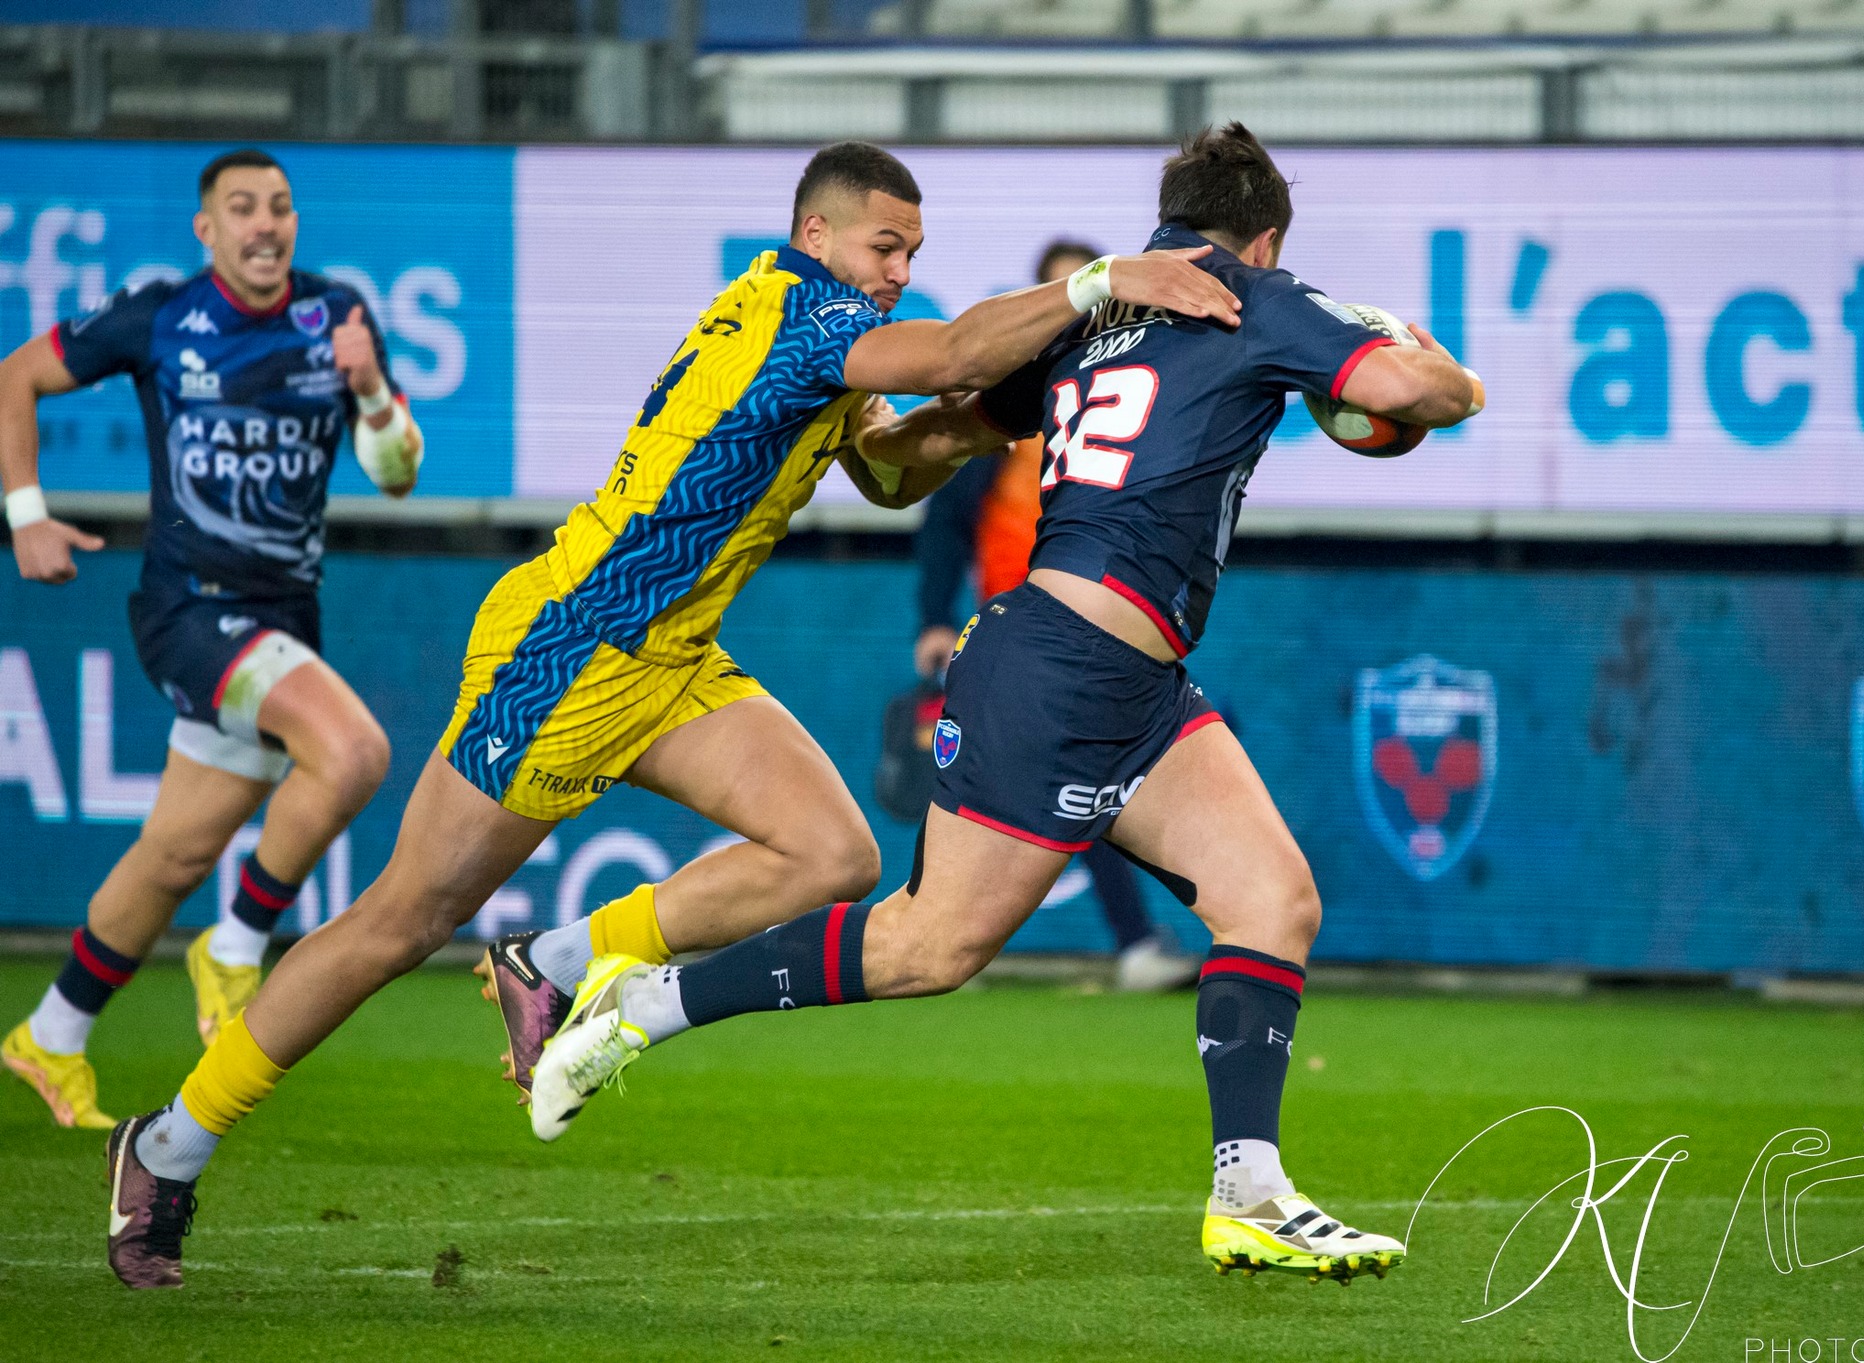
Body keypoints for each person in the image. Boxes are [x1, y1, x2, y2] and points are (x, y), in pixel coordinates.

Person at [101, 139, 1243, 1289]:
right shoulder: (803, 313)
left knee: (831, 849)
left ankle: (550, 960)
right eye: (884, 245)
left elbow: (888, 471)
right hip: (572, 650)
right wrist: (1100, 284)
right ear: (818, 237)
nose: (899, 268)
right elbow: (945, 347)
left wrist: (1003, 414)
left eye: (913, 251)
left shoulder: (807, 319)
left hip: (669, 651)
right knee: (397, 921)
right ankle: (167, 1143)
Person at [529, 123, 1484, 1285]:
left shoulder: (1096, 320)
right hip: (1058, 666)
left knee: (1271, 897)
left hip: (1128, 680)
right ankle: (645, 1006)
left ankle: (1251, 1192)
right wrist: (1445, 371)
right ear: (1264, 236)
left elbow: (923, 450)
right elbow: (1401, 393)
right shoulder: (1262, 295)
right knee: (930, 945)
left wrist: (872, 441)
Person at [1, 148, 420, 1131]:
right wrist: (25, 512)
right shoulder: (161, 317)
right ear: (208, 229)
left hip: (282, 615)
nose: (265, 224)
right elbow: (17, 373)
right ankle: (233, 948)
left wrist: (367, 390)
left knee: (174, 853)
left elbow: (395, 471)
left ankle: (49, 1034)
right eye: (242, 208)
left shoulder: (339, 315)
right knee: (354, 752)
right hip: (191, 610)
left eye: (279, 207)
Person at [911, 238, 1198, 992]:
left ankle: (1125, 943)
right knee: (991, 781)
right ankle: (931, 929)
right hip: (1011, 630)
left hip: (1096, 633)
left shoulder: (1137, 397)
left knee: (1084, 782)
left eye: (1081, 295)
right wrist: (935, 619)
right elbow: (945, 520)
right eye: (1054, 295)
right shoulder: (1012, 402)